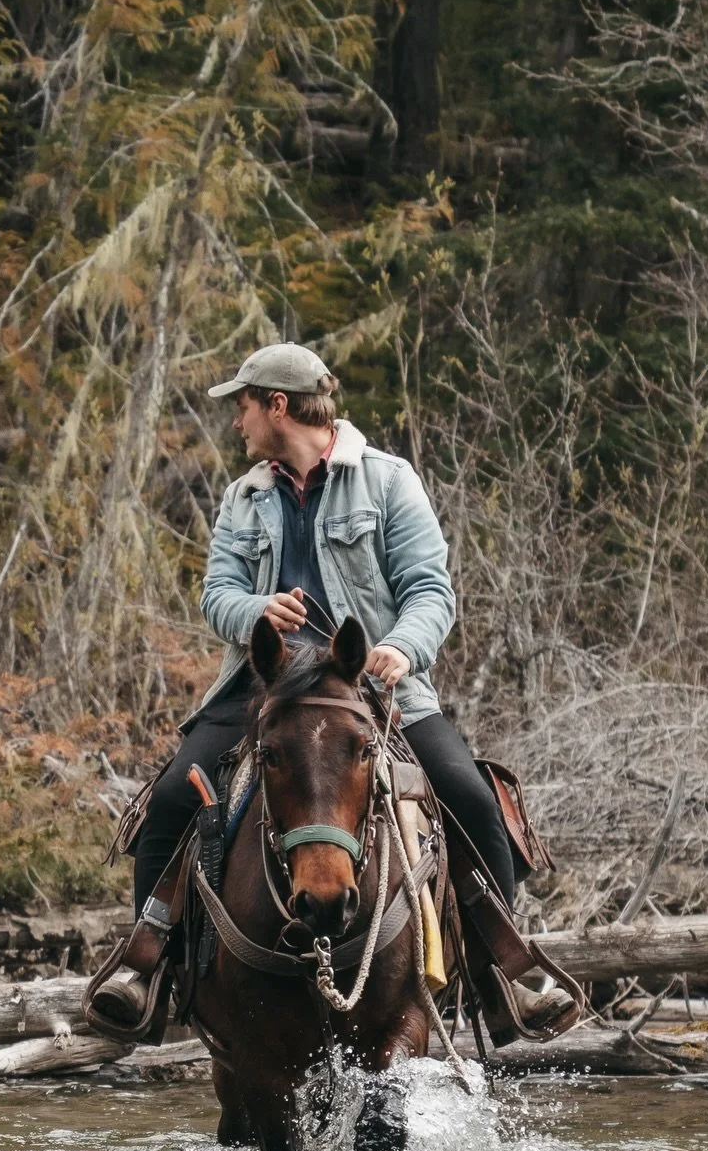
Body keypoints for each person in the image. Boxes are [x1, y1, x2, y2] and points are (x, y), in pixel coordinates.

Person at [91, 340, 545, 1032]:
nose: (237, 421)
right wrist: (255, 611)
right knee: (173, 798)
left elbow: (430, 591)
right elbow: (217, 594)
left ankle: (503, 978)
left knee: (471, 800)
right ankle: (145, 968)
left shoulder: (388, 481)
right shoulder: (243, 497)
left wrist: (400, 647)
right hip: (262, 690)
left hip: (371, 691)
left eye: (244, 406)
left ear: (278, 405)